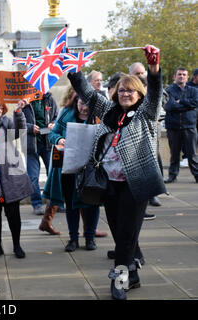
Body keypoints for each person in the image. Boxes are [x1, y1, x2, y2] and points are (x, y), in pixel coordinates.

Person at [67, 45, 165, 300]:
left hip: (136, 184)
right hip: (108, 183)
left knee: (124, 237)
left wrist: (153, 68)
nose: (125, 93)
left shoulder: (146, 113)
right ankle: (132, 275)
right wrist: (73, 70)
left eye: (130, 90)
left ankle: (119, 281)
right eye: (121, 90)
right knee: (120, 232)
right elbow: (88, 94)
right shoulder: (109, 112)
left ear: (139, 93)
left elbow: (155, 93)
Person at [41, 89, 100, 251]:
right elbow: (53, 134)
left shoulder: (99, 116)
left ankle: (90, 238)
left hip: (91, 168)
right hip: (69, 166)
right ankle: (73, 239)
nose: (84, 108)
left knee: (92, 203)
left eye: (88, 105)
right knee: (72, 203)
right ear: (76, 100)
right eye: (81, 103)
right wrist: (60, 139)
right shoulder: (66, 112)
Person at [0, 94, 33, 259]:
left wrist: (18, 112)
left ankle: (17, 245)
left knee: (13, 213)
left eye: (1, 106)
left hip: (9, 174)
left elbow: (19, 131)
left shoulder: (6, 122)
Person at [129, 64, 162, 215]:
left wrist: (154, 73)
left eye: (143, 72)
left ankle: (151, 195)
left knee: (153, 162)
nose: (141, 75)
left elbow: (158, 95)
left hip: (150, 134)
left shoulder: (149, 89)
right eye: (138, 73)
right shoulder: (127, 90)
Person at [22, 92, 59, 215]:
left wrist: (53, 124)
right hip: (31, 144)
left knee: (53, 174)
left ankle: (55, 203)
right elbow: (17, 122)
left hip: (48, 142)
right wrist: (29, 127)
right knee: (33, 176)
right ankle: (37, 204)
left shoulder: (50, 99)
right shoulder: (24, 101)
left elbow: (56, 117)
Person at [164, 68, 198, 183]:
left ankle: (197, 175)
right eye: (179, 74)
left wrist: (181, 102)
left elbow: (196, 103)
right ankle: (172, 176)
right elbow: (169, 106)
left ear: (187, 77)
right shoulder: (168, 90)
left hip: (190, 126)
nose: (182, 76)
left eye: (184, 75)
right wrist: (188, 106)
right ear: (174, 77)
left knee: (192, 154)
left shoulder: (194, 91)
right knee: (174, 154)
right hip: (173, 127)